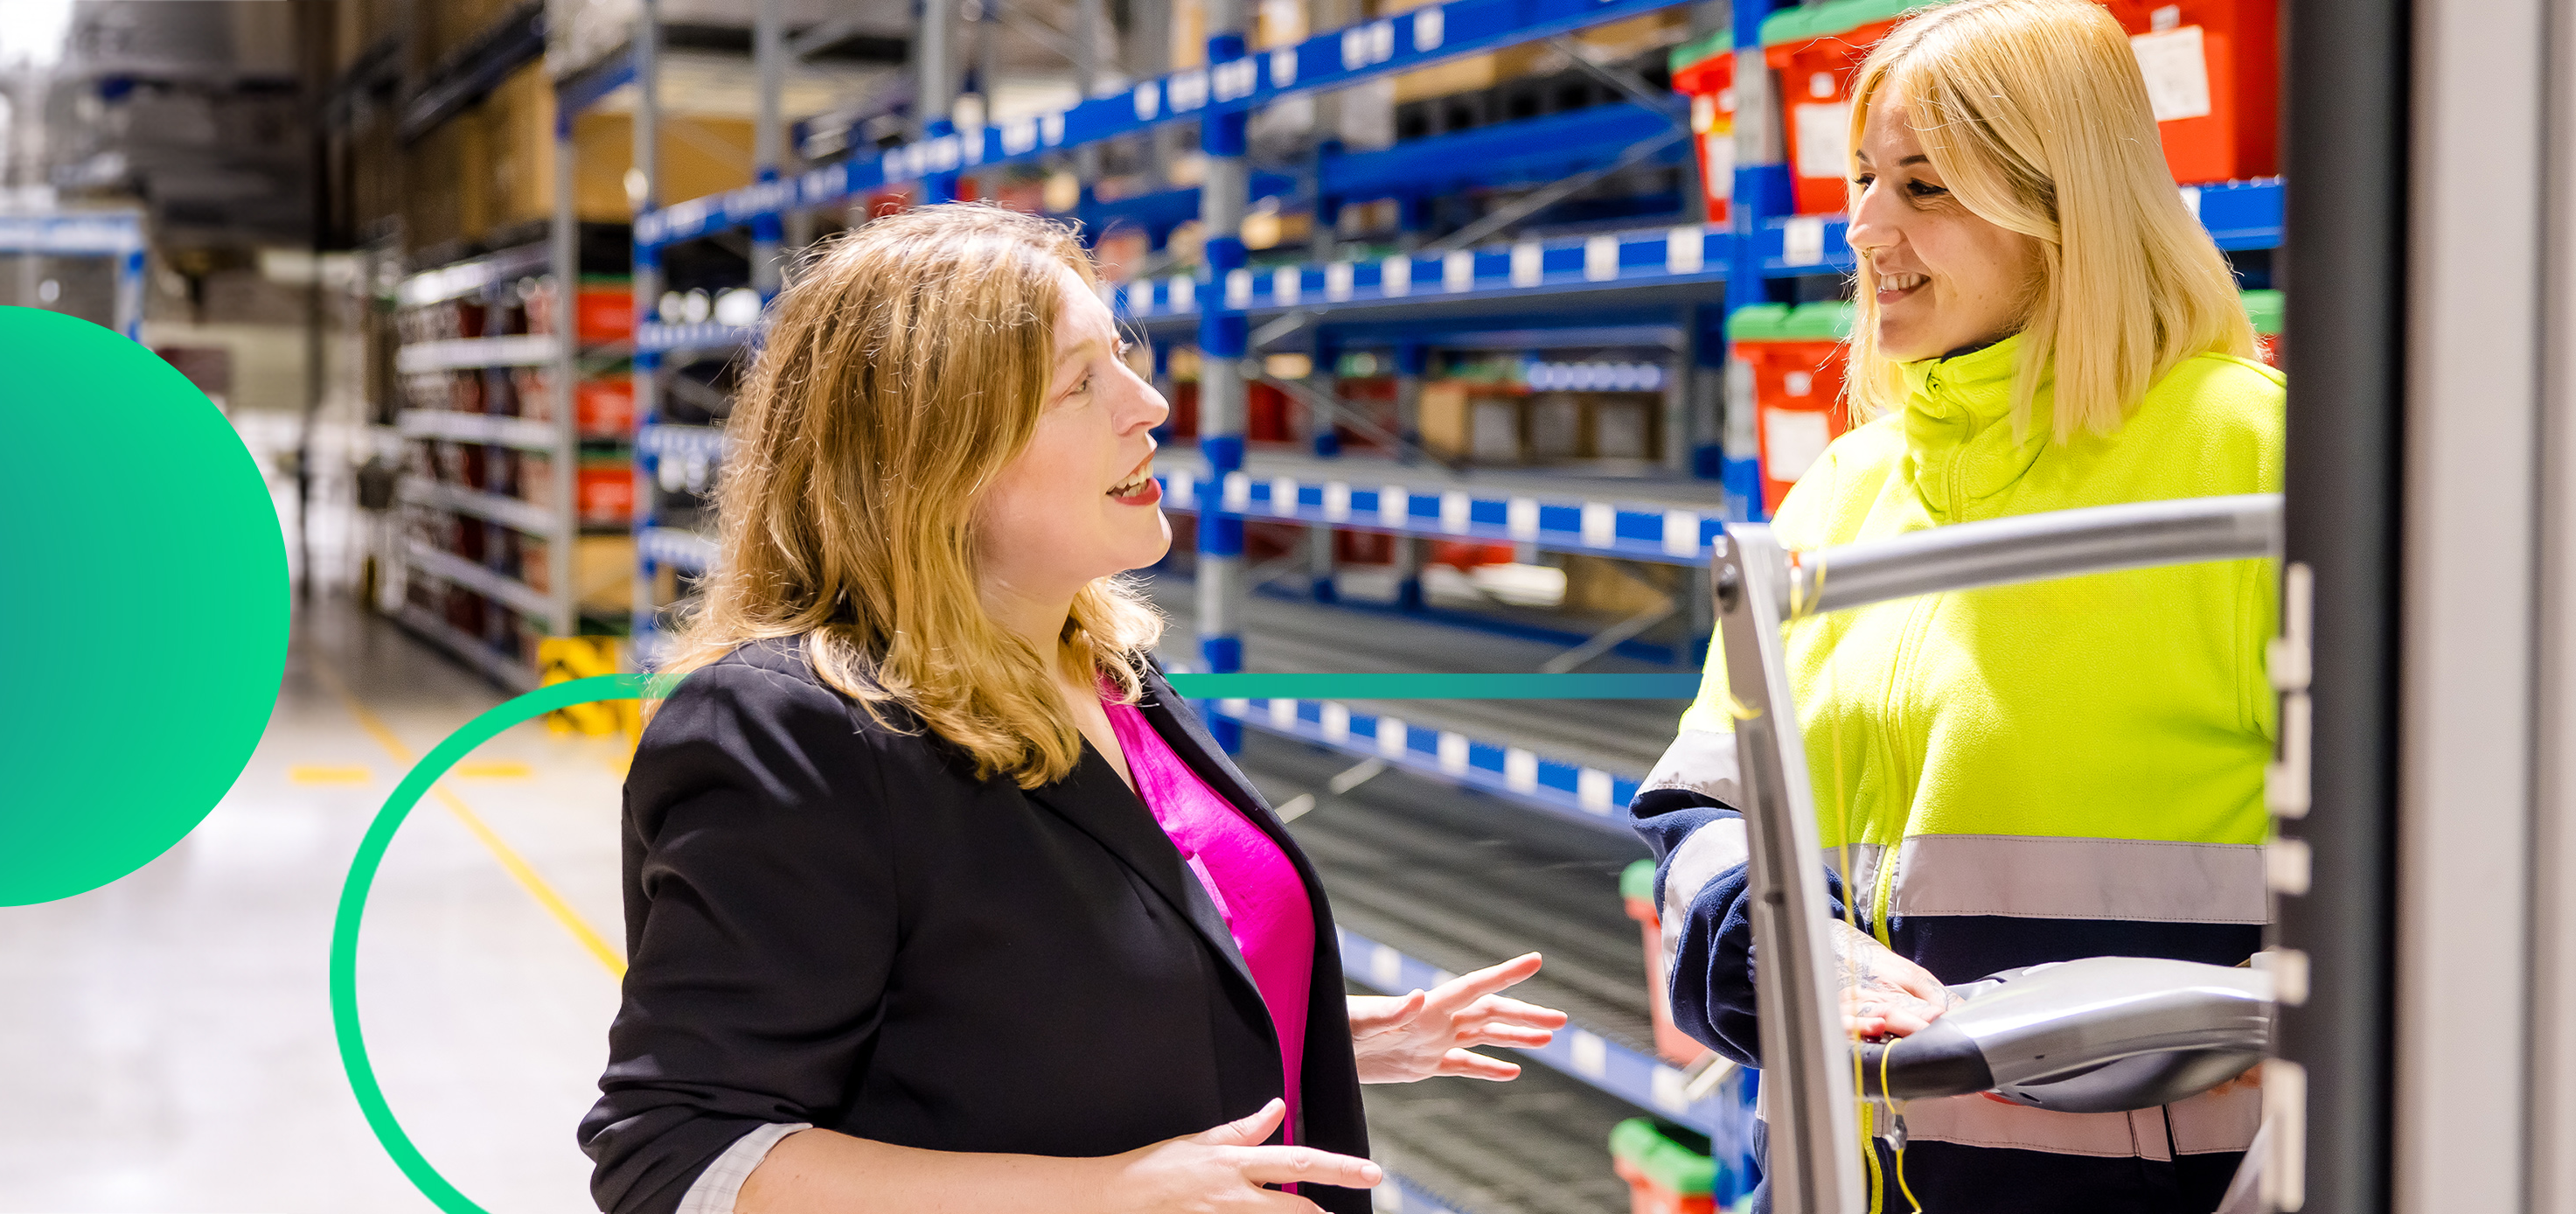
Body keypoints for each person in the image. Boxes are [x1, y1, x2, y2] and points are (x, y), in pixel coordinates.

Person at [579, 203, 1570, 1214]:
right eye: (1078, 384)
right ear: (934, 453)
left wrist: (1309, 1028)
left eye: (1123, 358)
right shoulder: (789, 729)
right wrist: (1103, 1193)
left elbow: (1016, 1008)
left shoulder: (1097, 666)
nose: (1146, 405)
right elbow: (674, 1155)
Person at [1626, 2, 2284, 1210]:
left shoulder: (2252, 462)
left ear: (2063, 207)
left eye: (1926, 187)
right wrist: (1761, 935)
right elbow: (1701, 795)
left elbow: (2428, 886)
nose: (1868, 226)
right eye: (1866, 177)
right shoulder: (1847, 483)